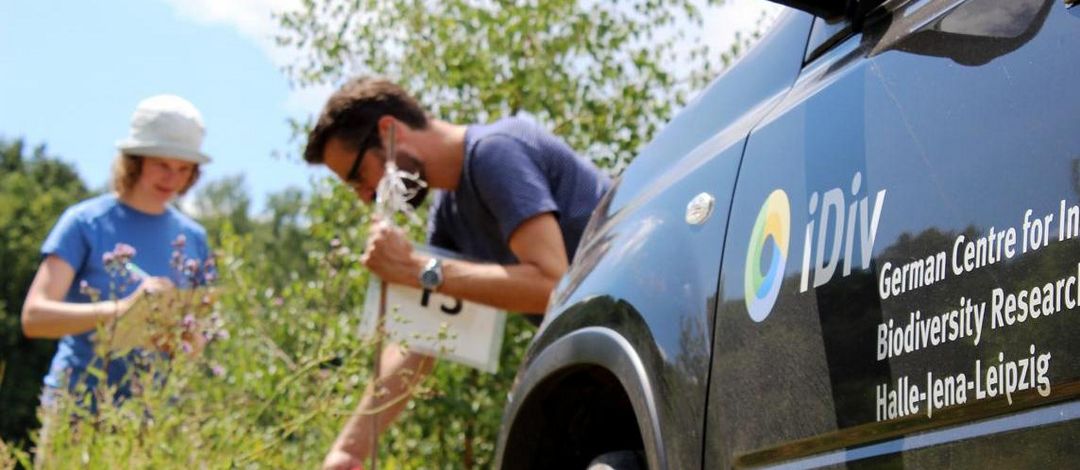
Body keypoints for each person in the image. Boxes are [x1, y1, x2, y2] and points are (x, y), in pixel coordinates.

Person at [303, 77, 612, 469]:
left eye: (358, 177)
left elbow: (553, 285)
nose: (366, 196)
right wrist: (349, 450)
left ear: (389, 130)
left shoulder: (495, 152)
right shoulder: (448, 213)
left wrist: (414, 269)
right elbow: (420, 341)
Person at [21, 95, 214, 420]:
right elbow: (34, 318)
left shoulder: (194, 239)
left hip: (152, 419)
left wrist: (178, 335)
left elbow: (198, 346)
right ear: (134, 160)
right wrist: (124, 310)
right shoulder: (84, 223)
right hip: (76, 410)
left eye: (183, 169)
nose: (172, 178)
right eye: (162, 165)